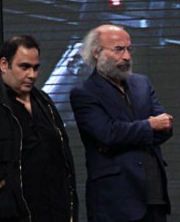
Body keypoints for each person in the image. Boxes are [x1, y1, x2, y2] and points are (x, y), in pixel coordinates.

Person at [0, 34, 78, 221]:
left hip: (49, 211)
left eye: (35, 68)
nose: (32, 75)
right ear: (4, 65)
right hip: (4, 214)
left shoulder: (44, 102)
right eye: (24, 67)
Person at [70, 24, 173, 222]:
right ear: (97, 53)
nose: (126, 56)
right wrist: (149, 126)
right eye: (118, 49)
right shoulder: (84, 93)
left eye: (128, 49)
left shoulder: (142, 83)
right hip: (115, 200)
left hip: (154, 195)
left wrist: (125, 136)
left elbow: (166, 127)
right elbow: (107, 134)